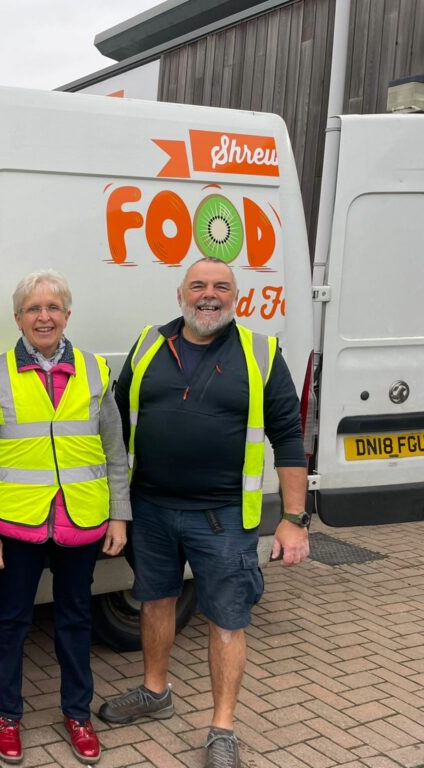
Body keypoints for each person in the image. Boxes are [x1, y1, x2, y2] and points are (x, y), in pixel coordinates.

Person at [100, 257, 310, 768]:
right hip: (150, 506)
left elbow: (287, 437)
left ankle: (222, 728)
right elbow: (115, 414)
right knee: (154, 601)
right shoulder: (151, 343)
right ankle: (155, 692)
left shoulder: (261, 353)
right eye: (198, 286)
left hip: (222, 517)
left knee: (226, 621)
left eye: (220, 287)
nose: (208, 295)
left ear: (235, 297)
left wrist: (294, 518)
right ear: (181, 294)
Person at [0, 269, 130, 765]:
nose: (44, 316)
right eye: (33, 309)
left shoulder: (96, 371)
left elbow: (114, 450)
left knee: (76, 620)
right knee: (12, 621)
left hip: (81, 521)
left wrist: (119, 516)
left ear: (66, 314)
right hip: (17, 526)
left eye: (52, 307)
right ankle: (6, 713)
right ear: (18, 318)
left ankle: (77, 714)